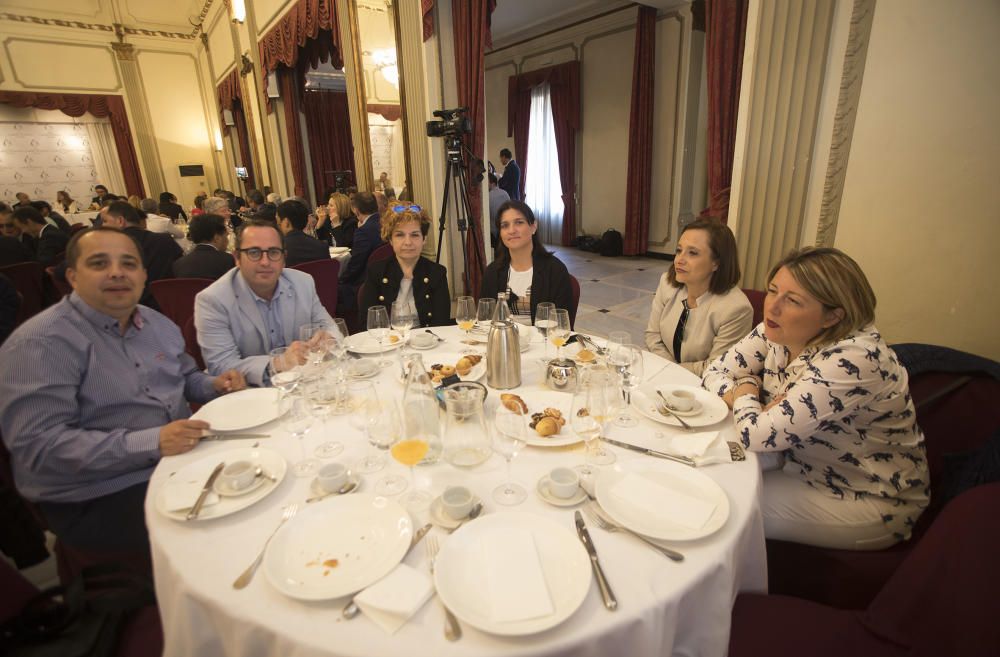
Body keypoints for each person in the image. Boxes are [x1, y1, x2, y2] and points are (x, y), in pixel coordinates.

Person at [0, 227, 245, 567]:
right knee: (229, 534)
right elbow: (39, 449)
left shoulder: (158, 325)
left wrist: (214, 385)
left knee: (262, 482)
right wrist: (153, 442)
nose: (117, 272)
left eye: (128, 263)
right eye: (99, 263)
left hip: (176, 461)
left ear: (143, 275)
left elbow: (185, 376)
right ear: (72, 276)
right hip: (98, 493)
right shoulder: (40, 344)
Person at [702, 247, 929, 550]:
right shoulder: (776, 332)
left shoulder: (855, 358)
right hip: (797, 460)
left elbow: (755, 435)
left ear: (833, 316)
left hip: (863, 496)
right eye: (772, 291)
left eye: (793, 300)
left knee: (719, 509)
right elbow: (713, 372)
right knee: (701, 474)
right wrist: (751, 398)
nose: (772, 307)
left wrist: (744, 390)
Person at [194, 220, 336, 386]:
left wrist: (328, 339)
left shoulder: (303, 283)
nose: (265, 262)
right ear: (237, 258)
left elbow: (331, 328)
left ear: (284, 259)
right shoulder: (213, 300)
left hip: (305, 386)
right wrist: (278, 363)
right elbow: (221, 366)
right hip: (250, 395)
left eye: (274, 252)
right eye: (254, 252)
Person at [645, 218, 753, 375]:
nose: (679, 260)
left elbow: (717, 366)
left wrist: (672, 372)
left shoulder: (736, 309)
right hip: (661, 372)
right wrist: (666, 370)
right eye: (678, 250)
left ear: (716, 263)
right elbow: (652, 335)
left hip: (702, 387)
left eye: (692, 253)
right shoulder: (667, 283)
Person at [481, 200, 572, 326]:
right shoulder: (492, 272)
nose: (511, 230)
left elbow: (563, 326)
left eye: (519, 222)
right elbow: (485, 321)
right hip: (503, 342)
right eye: (505, 225)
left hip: (543, 343)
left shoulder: (555, 270)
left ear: (533, 226)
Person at [360, 202, 450, 328]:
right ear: (390, 240)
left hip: (426, 344)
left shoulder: (437, 273)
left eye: (414, 235)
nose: (408, 242)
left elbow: (441, 324)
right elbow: (368, 323)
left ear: (424, 239)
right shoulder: (376, 272)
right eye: (400, 235)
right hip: (389, 344)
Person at [105, 201, 182, 309]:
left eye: (105, 221)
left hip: (129, 308)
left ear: (120, 221)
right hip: (168, 305)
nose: (103, 226)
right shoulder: (165, 240)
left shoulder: (111, 247)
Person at [337, 192, 385, 313]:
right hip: (385, 275)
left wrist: (340, 279)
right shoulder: (385, 223)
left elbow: (356, 265)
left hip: (366, 281)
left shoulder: (364, 231)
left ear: (356, 211)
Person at [172, 214, 233, 280]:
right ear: (217, 238)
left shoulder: (178, 264)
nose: (227, 238)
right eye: (226, 235)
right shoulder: (228, 261)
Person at [277, 200, 329, 266]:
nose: (278, 226)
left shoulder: (279, 250)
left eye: (279, 222)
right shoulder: (322, 247)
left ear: (286, 222)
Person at [488, 172, 510, 249]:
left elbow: (488, 215)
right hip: (506, 227)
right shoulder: (505, 193)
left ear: (492, 183)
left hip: (494, 231)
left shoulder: (489, 196)